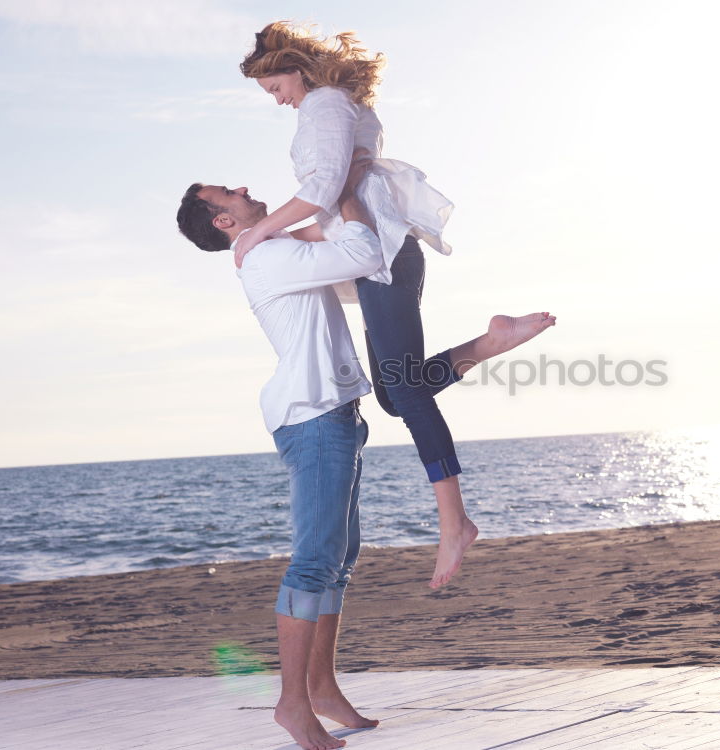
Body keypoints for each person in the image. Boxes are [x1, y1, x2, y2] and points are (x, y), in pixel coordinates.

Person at [235, 21, 556, 588]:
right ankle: (490, 342)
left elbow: (324, 190)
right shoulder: (334, 107)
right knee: (391, 394)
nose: (278, 101)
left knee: (404, 391)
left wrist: (260, 233)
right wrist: (282, 235)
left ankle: (454, 523)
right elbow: (339, 206)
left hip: (386, 259)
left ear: (291, 68)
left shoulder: (326, 104)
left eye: (274, 88)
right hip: (384, 258)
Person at [175, 156, 377, 749]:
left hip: (334, 412)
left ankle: (321, 688)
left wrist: (313, 219)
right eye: (227, 193)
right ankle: (292, 704)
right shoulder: (263, 254)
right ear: (221, 222)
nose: (242, 187)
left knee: (340, 556)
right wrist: (342, 190)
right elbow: (363, 255)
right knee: (315, 560)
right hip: (313, 418)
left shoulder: (273, 247)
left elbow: (351, 279)